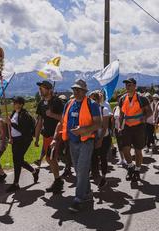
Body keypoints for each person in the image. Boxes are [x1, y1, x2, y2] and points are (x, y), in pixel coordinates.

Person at [52, 79, 101, 213]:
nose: (76, 91)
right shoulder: (69, 103)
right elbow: (62, 123)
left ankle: (79, 199)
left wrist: (84, 130)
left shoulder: (92, 104)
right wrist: (55, 138)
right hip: (72, 142)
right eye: (74, 89)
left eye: (79, 89)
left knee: (82, 169)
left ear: (85, 91)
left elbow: (98, 124)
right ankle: (88, 192)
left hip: (86, 141)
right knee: (79, 171)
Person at [119, 78, 152, 182]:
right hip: (127, 127)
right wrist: (120, 126)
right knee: (125, 149)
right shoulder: (122, 98)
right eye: (126, 85)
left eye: (129, 85)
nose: (127, 87)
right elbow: (121, 114)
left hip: (139, 127)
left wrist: (144, 118)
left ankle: (137, 170)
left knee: (138, 151)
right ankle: (130, 167)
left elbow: (150, 112)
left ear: (135, 86)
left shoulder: (142, 98)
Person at [35, 81, 64, 193]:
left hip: (56, 134)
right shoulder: (41, 103)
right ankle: (58, 180)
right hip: (46, 135)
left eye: (42, 88)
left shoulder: (57, 102)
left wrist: (52, 115)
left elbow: (63, 118)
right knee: (49, 158)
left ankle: (58, 181)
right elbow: (39, 121)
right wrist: (37, 137)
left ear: (49, 89)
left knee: (50, 158)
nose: (40, 90)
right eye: (40, 88)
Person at [6, 97, 39, 192]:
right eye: (13, 102)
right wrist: (10, 138)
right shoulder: (14, 113)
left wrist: (11, 123)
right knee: (17, 160)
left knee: (18, 160)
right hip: (15, 140)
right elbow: (11, 128)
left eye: (15, 102)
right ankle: (34, 171)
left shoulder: (25, 115)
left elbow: (23, 130)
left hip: (23, 140)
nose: (13, 104)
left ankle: (16, 183)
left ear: (21, 104)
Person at [90, 91, 111, 188]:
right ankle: (95, 175)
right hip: (93, 137)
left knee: (103, 157)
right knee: (93, 158)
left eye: (93, 99)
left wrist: (100, 140)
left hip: (104, 137)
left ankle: (103, 177)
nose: (91, 101)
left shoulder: (104, 109)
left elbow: (105, 127)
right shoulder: (90, 110)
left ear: (98, 99)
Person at [112, 94, 126, 166]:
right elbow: (113, 119)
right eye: (118, 99)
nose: (119, 100)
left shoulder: (125, 107)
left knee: (125, 144)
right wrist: (114, 129)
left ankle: (127, 159)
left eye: (120, 99)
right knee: (119, 144)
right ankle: (122, 159)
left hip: (125, 129)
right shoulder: (115, 108)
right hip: (117, 129)